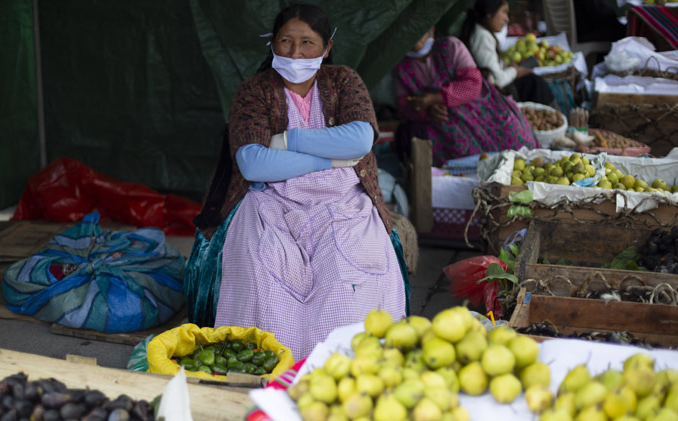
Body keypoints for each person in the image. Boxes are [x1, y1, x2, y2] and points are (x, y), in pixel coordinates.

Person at [186, 4, 408, 360]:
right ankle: (269, 363)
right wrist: (332, 158)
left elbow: (360, 140)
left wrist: (288, 140)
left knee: (344, 278)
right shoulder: (254, 91)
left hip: (343, 202)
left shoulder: (344, 81)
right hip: (268, 200)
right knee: (263, 271)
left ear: (327, 48)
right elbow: (253, 163)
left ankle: (334, 364)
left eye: (307, 42)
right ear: (272, 44)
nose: (294, 52)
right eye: (286, 41)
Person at [393, 27, 538, 167]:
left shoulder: (450, 46)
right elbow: (404, 106)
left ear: (432, 28)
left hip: (480, 110)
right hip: (442, 123)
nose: (415, 37)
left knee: (516, 143)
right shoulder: (400, 66)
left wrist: (436, 98)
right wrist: (426, 110)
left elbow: (473, 84)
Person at [461, 0, 555, 107]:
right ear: (489, 14)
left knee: (533, 81)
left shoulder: (482, 32)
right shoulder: (482, 37)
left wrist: (507, 66)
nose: (507, 19)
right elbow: (497, 81)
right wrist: (515, 71)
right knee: (534, 83)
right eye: (504, 12)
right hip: (492, 95)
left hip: (491, 88)